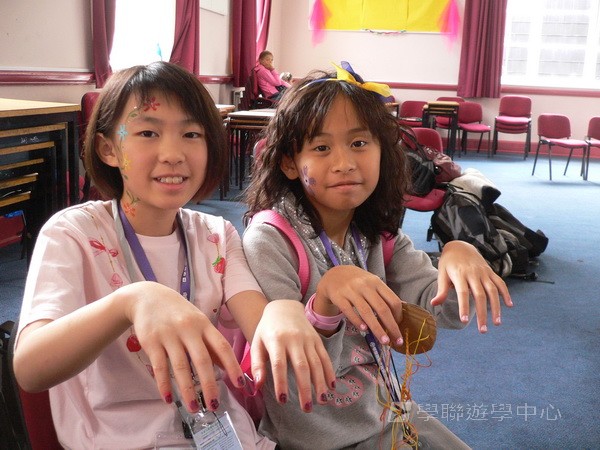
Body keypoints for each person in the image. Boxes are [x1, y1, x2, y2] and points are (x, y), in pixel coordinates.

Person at [12, 61, 335, 449]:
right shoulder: (75, 234)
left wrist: (284, 310)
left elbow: (262, 328)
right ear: (108, 148)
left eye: (191, 134)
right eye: (148, 132)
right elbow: (30, 368)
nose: (173, 153)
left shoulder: (217, 236)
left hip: (225, 434)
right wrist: (131, 301)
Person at [242, 63, 513, 449]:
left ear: (383, 151)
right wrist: (326, 304)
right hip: (315, 438)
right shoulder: (270, 240)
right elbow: (290, 372)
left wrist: (459, 256)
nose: (345, 163)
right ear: (289, 162)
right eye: (321, 148)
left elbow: (443, 313)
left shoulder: (378, 236)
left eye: (359, 143)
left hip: (388, 413)